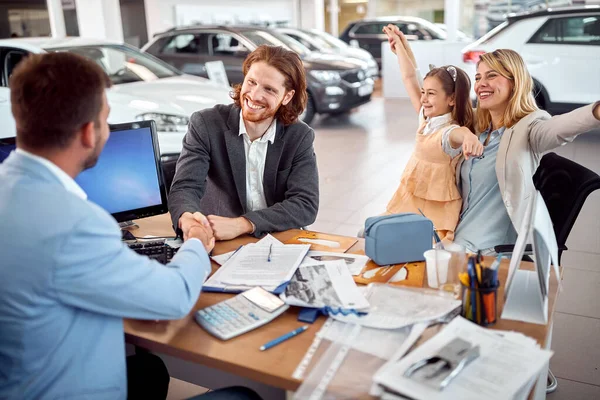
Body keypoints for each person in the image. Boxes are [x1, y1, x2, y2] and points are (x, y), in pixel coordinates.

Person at [0, 52, 260, 400]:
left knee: (149, 370)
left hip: (21, 376)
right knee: (244, 397)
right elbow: (175, 297)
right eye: (107, 120)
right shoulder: (77, 224)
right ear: (89, 132)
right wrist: (197, 241)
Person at [444, 49, 600, 253]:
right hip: (454, 235)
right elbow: (434, 109)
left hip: (487, 250)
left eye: (492, 75)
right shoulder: (479, 127)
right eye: (478, 77)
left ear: (515, 81)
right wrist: (406, 60)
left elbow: (560, 127)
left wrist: (595, 112)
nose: (481, 83)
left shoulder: (530, 126)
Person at [168, 45, 319, 242]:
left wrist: (243, 223)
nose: (255, 95)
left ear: (287, 96)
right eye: (252, 82)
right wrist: (188, 220)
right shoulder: (205, 124)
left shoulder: (299, 136)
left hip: (279, 238)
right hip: (223, 240)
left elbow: (305, 204)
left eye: (269, 89)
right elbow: (185, 187)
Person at [381, 24, 482, 240]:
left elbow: (459, 134)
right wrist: (401, 47)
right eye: (424, 92)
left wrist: (468, 136)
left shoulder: (449, 132)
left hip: (435, 215)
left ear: (452, 99)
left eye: (431, 93)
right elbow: (410, 77)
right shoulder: (427, 118)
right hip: (411, 202)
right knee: (372, 234)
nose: (424, 98)